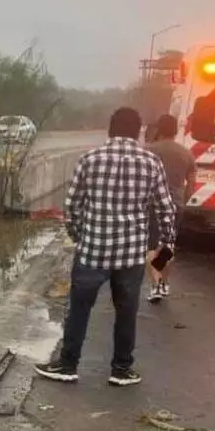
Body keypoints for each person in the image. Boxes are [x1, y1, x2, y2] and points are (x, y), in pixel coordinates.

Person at [35, 107, 176, 387]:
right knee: (126, 312)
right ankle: (121, 369)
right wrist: (166, 244)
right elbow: (165, 208)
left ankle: (68, 365)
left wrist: (78, 236)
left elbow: (72, 205)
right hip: (131, 254)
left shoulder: (90, 159)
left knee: (79, 309)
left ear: (110, 130)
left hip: (93, 251)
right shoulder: (151, 162)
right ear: (138, 131)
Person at [145, 114, 196, 303]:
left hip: (153, 205)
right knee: (167, 245)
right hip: (175, 205)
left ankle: (155, 285)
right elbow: (191, 184)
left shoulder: (148, 151)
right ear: (176, 131)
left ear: (159, 129)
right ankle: (164, 283)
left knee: (152, 246)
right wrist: (183, 201)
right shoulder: (186, 153)